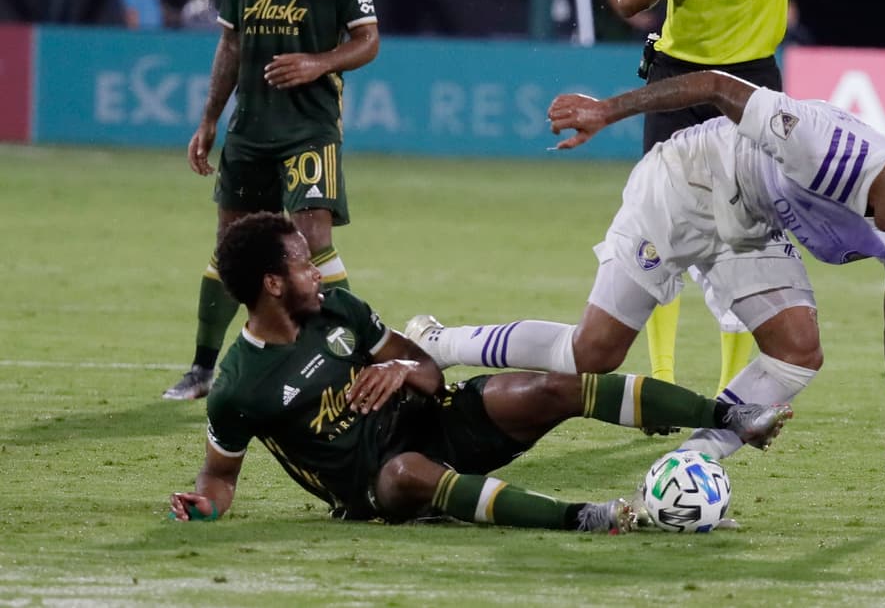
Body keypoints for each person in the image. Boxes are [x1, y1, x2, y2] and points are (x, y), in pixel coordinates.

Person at [407, 70, 885, 511]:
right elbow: (714, 86)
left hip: (752, 228)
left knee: (798, 352)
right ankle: (438, 343)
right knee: (594, 353)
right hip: (691, 182)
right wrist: (608, 111)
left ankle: (683, 469)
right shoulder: (823, 142)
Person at [167, 212, 792, 531]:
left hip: (432, 422)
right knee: (408, 471)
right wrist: (204, 506)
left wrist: (405, 372)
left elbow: (431, 375)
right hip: (372, 484)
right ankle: (583, 517)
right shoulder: (237, 388)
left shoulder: (340, 310)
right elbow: (219, 478)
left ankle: (734, 417)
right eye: (305, 266)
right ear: (273, 285)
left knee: (555, 386)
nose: (317, 273)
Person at [610, 0, 845, 395]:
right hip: (675, 80)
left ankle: (728, 389)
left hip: (752, 90)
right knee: (659, 228)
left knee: (748, 234)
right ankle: (661, 380)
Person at [163, 0, 380, 400]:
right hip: (250, 129)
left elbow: (368, 41)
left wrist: (318, 62)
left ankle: (350, 359)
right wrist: (210, 120)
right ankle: (203, 367)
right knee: (231, 247)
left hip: (310, 127)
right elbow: (230, 48)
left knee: (312, 240)